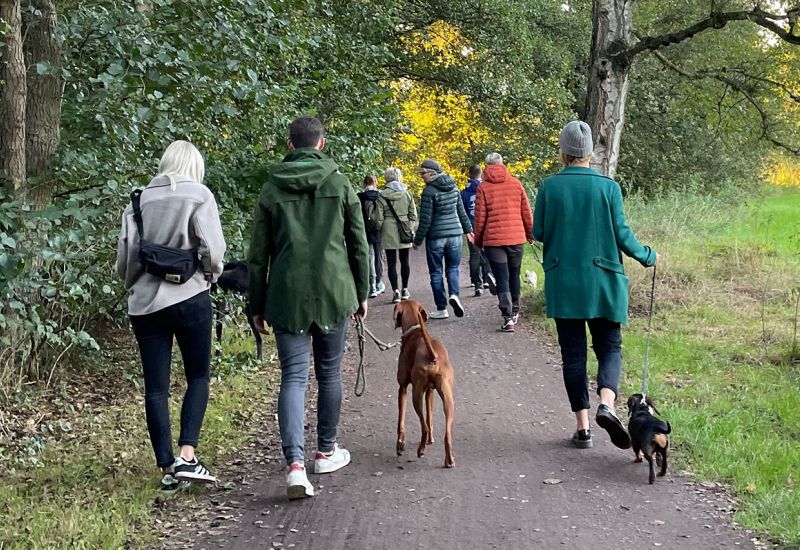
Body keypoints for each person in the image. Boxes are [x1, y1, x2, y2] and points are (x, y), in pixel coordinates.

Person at [248, 116, 370, 499]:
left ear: (290, 145)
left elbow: (257, 256)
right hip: (334, 291)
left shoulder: (271, 188)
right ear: (320, 143)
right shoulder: (339, 182)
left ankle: (296, 466)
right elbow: (358, 243)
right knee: (330, 372)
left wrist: (256, 303)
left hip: (286, 296)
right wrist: (363, 292)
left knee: (294, 377)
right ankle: (326, 450)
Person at [533, 120, 657, 450]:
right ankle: (607, 403)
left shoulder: (549, 187)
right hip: (604, 282)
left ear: (564, 152)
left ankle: (583, 428)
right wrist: (647, 255)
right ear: (590, 153)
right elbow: (622, 234)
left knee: (573, 356)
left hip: (564, 283)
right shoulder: (609, 188)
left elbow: (539, 232)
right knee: (610, 347)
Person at [116, 140, 226, 492]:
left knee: (156, 387)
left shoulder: (138, 200)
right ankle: (187, 456)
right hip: (191, 295)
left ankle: (166, 467)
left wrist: (138, 283)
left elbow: (127, 259)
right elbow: (213, 249)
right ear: (195, 165)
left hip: (145, 304)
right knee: (197, 376)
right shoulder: (200, 195)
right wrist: (209, 275)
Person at [473, 153, 533, 332]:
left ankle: (507, 317)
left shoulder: (483, 188)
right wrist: (530, 233)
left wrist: (478, 240)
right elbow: (526, 212)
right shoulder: (516, 183)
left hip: (494, 242)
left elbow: (480, 218)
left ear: (486, 166)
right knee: (514, 274)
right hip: (515, 238)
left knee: (502, 277)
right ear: (502, 164)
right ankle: (515, 309)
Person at [413, 159, 473, 319]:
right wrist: (468, 230)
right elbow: (461, 211)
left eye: (422, 173)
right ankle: (454, 295)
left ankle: (442, 308)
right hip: (455, 235)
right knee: (453, 268)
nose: (421, 176)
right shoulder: (453, 187)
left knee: (436, 272)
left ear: (432, 173)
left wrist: (417, 240)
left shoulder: (429, 192)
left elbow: (425, 220)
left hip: (436, 237)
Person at [376, 167, 417, 303]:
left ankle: (396, 292)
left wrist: (380, 229)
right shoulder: (407, 194)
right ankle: (405, 289)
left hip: (388, 229)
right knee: (405, 260)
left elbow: (378, 218)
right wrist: (410, 227)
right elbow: (413, 215)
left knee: (391, 262)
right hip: (404, 228)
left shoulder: (382, 195)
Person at [460, 164, 494, 297]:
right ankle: (487, 277)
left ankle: (477, 284)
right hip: (486, 225)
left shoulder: (463, 193)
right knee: (488, 253)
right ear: (481, 174)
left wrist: (465, 227)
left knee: (474, 255)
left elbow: (461, 211)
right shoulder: (487, 189)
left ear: (469, 174)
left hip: (471, 226)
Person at [358, 175, 386, 298]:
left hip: (365, 230)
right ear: (375, 182)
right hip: (380, 230)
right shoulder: (381, 196)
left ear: (364, 183)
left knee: (370, 257)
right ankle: (379, 282)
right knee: (379, 257)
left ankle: (372, 285)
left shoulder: (360, 196)